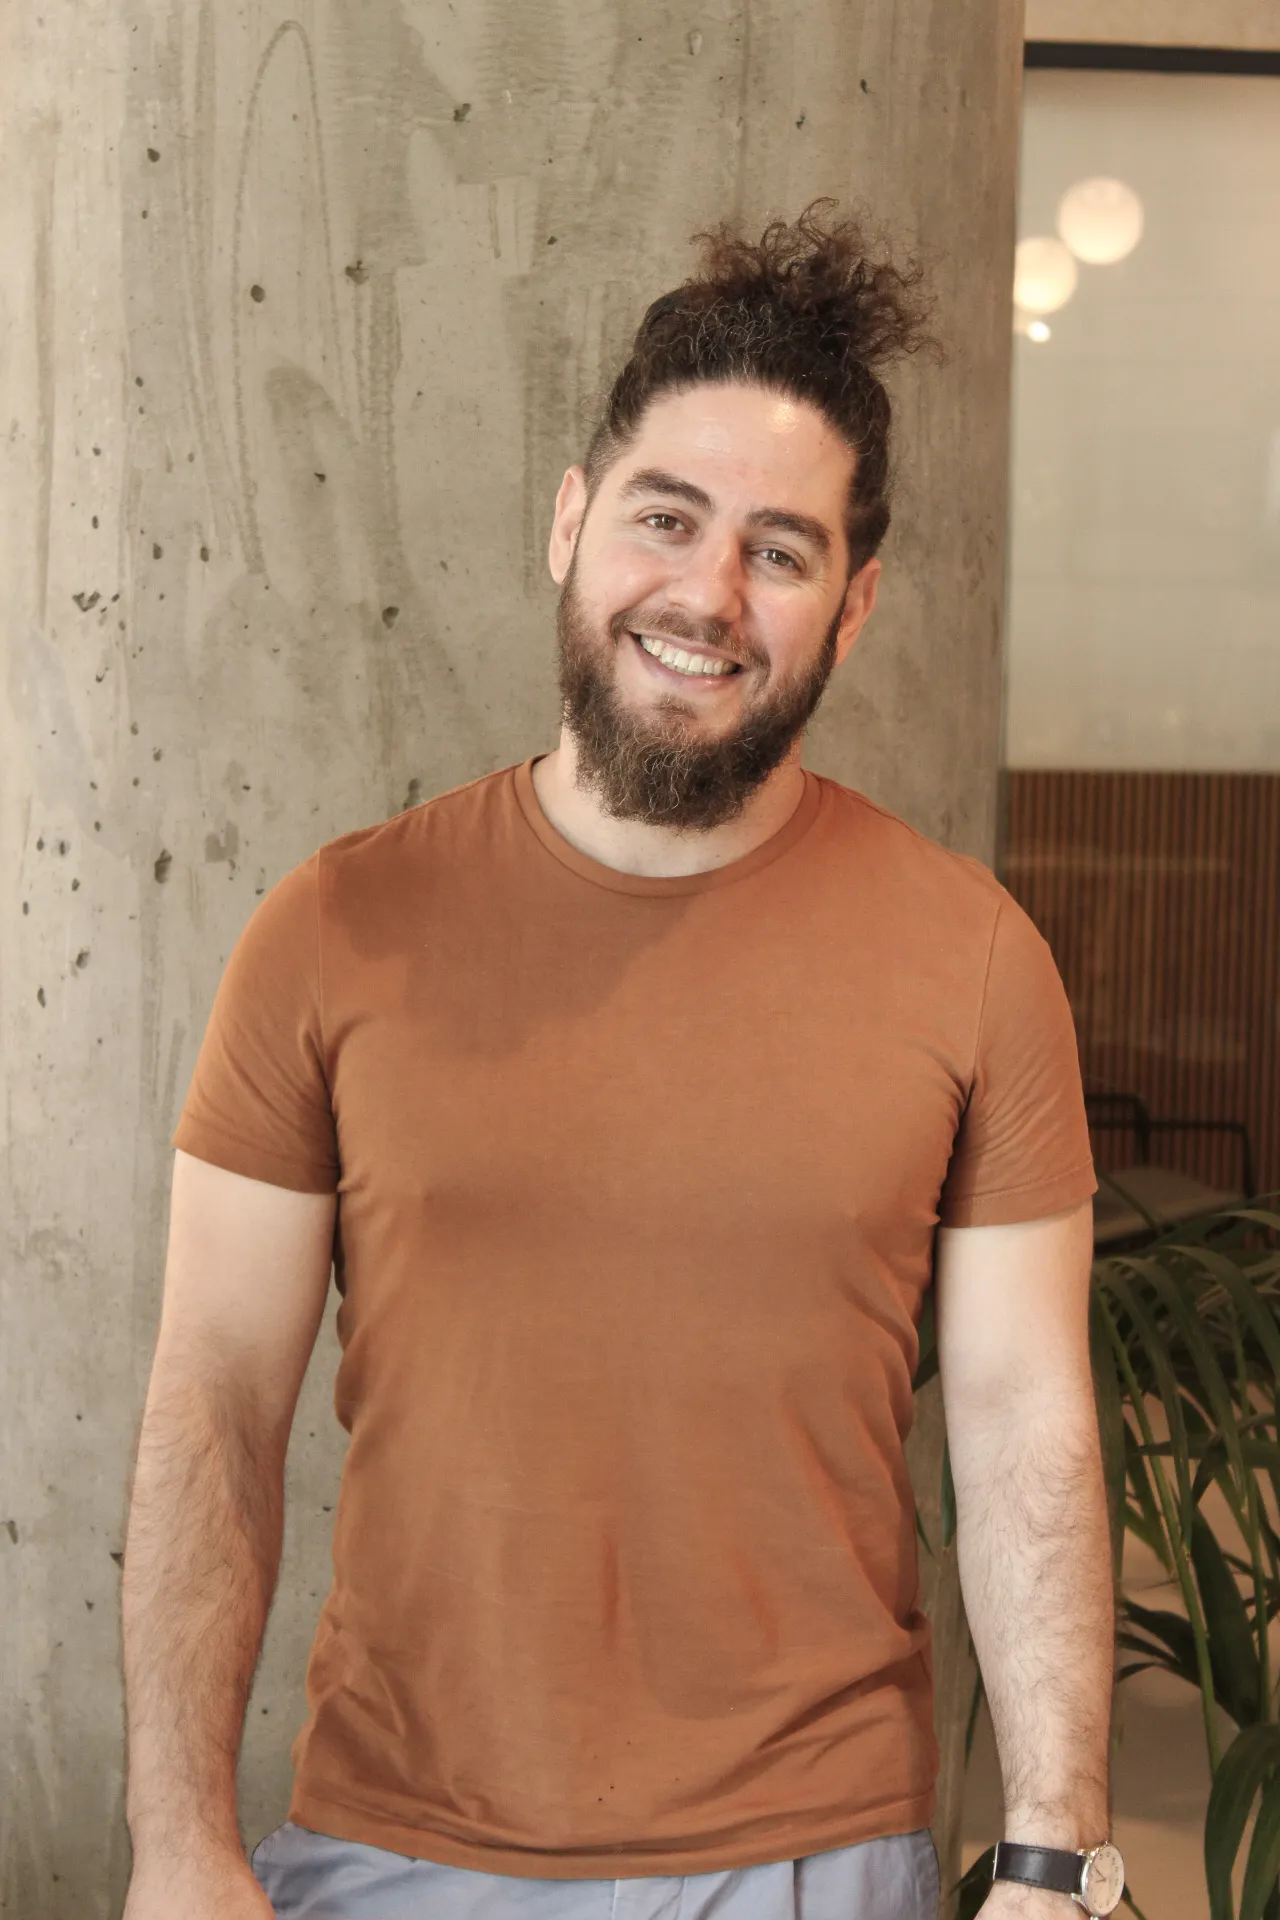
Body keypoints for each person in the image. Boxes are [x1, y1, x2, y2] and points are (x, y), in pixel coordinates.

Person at [122, 204, 1118, 1920]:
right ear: (573, 520)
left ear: (854, 606)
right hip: (388, 1844)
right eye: (669, 518)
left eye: (782, 550)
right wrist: (178, 1844)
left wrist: (1055, 1850)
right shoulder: (332, 931)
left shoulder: (971, 957)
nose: (709, 595)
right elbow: (216, 1395)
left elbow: (1030, 1425)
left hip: (817, 1853)